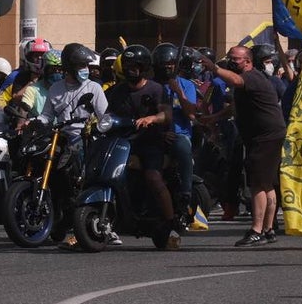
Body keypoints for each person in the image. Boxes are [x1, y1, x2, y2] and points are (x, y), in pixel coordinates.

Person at [201, 46, 285, 245]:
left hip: (264, 137)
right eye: (229, 58)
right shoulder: (248, 82)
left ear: (247, 61)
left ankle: (257, 230)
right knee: (267, 183)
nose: (231, 61)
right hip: (266, 136)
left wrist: (214, 68)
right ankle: (269, 229)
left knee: (257, 183)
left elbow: (236, 80)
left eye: (235, 59)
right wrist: (212, 117)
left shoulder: (250, 77)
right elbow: (234, 108)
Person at [105, 44, 179, 249]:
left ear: (145, 67)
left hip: (150, 143)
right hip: (122, 143)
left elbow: (167, 114)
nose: (132, 70)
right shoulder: (117, 91)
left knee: (152, 177)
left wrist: (152, 118)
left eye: (137, 66)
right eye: (128, 65)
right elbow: (107, 116)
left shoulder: (156, 89)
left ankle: (170, 221)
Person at [43, 43, 109, 246]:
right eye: (81, 65)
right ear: (69, 67)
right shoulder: (55, 89)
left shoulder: (94, 88)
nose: (85, 69)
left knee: (78, 176)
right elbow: (47, 115)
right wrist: (35, 122)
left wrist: (96, 128)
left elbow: (105, 116)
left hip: (86, 139)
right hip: (60, 139)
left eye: (86, 65)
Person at [152, 43, 197, 225]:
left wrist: (178, 92)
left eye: (172, 63)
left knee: (183, 147)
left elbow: (191, 114)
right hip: (155, 134)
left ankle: (185, 193)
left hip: (179, 134)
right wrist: (160, 134)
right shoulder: (152, 86)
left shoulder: (186, 85)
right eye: (165, 63)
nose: (168, 67)